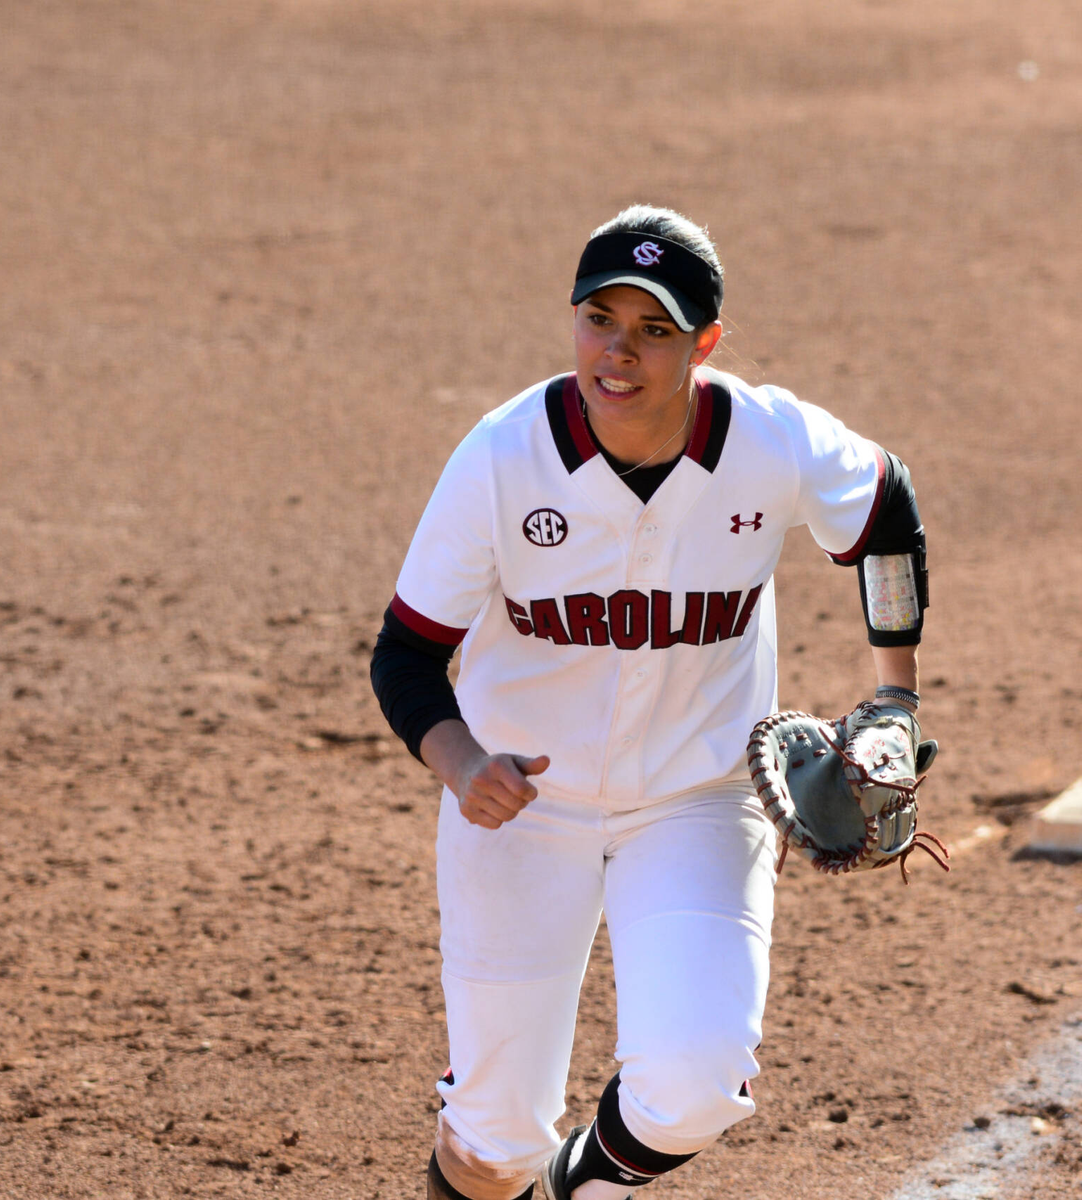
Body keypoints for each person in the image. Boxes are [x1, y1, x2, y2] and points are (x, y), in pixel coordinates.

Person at [370, 205, 929, 1200]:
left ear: (703, 344)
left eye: (654, 329)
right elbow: (406, 657)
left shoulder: (771, 440)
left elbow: (885, 507)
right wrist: (464, 765)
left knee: (695, 1084)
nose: (618, 352)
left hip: (697, 798)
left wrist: (897, 698)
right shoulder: (502, 458)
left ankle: (580, 1184)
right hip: (521, 812)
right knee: (494, 1143)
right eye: (600, 319)